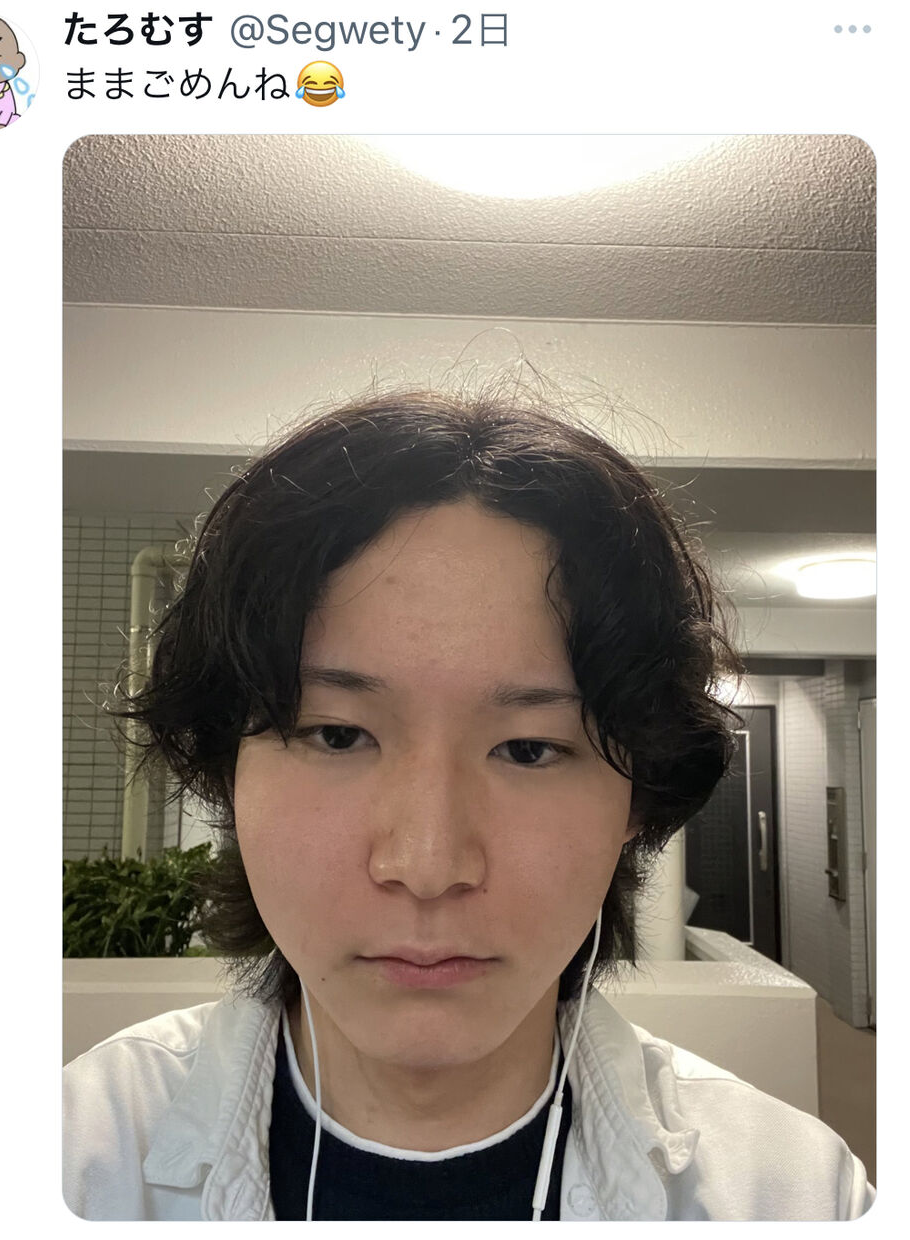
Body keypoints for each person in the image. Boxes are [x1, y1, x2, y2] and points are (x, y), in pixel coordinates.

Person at [62, 389, 874, 1221]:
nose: (428, 866)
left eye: (528, 749)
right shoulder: (74, 1159)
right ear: (227, 768)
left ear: (639, 797)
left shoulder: (794, 1195)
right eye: (338, 735)